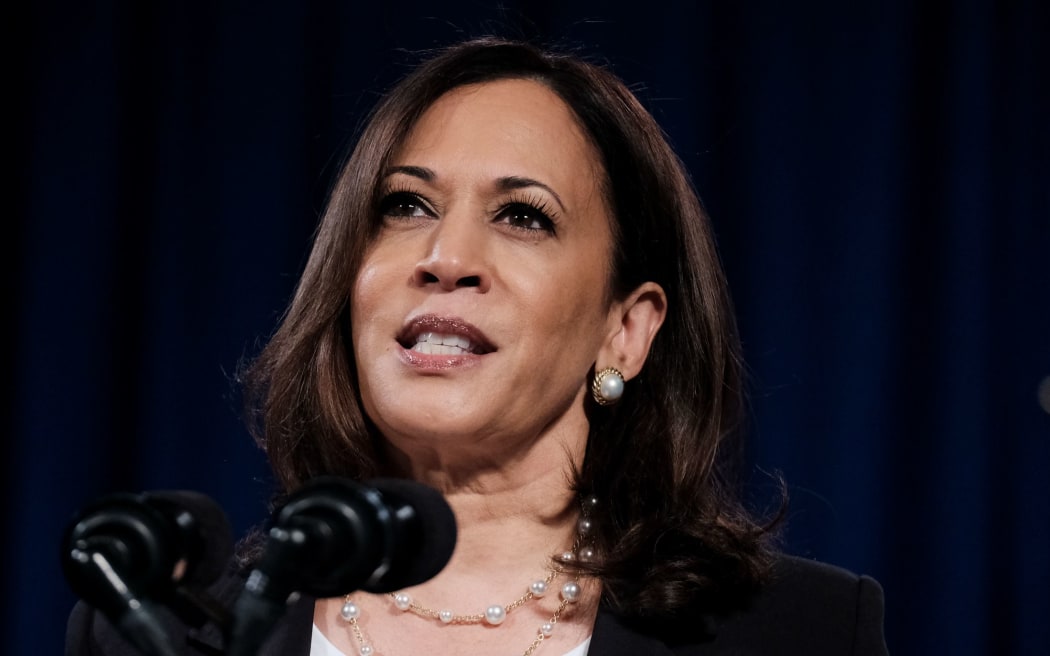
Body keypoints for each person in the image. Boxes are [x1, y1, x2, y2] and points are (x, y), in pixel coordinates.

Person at [67, 37, 888, 655]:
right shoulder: (157, 630)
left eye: (523, 217)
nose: (446, 259)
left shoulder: (799, 632)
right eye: (405, 206)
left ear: (626, 330)